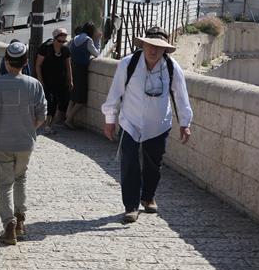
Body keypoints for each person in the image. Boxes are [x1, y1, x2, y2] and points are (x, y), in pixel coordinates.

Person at [101, 26, 192, 224]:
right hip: (130, 122)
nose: (153, 51)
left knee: (154, 165)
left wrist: (185, 123)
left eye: (158, 48)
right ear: (143, 45)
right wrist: (110, 120)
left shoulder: (172, 67)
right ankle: (131, 206)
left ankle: (148, 196)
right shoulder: (128, 63)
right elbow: (115, 93)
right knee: (129, 164)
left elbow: (181, 96)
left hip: (158, 125)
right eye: (150, 46)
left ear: (164, 50)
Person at [0, 41, 47, 246]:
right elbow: (42, 116)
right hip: (25, 142)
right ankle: (21, 221)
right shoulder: (34, 84)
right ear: (26, 62)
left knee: (4, 184)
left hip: (2, 142)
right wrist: (28, 128)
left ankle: (9, 224)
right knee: (21, 179)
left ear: (7, 62)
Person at [35, 28, 73, 134]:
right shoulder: (45, 48)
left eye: (63, 41)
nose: (61, 43)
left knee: (61, 102)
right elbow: (38, 65)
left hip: (61, 80)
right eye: (59, 41)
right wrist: (40, 80)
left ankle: (51, 123)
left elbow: (68, 66)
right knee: (51, 102)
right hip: (47, 80)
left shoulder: (65, 50)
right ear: (54, 39)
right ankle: (47, 125)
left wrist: (70, 80)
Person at [64, 22, 101, 128]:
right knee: (81, 99)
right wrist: (97, 40)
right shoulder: (88, 40)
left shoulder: (75, 38)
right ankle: (69, 119)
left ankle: (67, 117)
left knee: (73, 95)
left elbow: (67, 48)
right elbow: (97, 54)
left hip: (72, 67)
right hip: (81, 69)